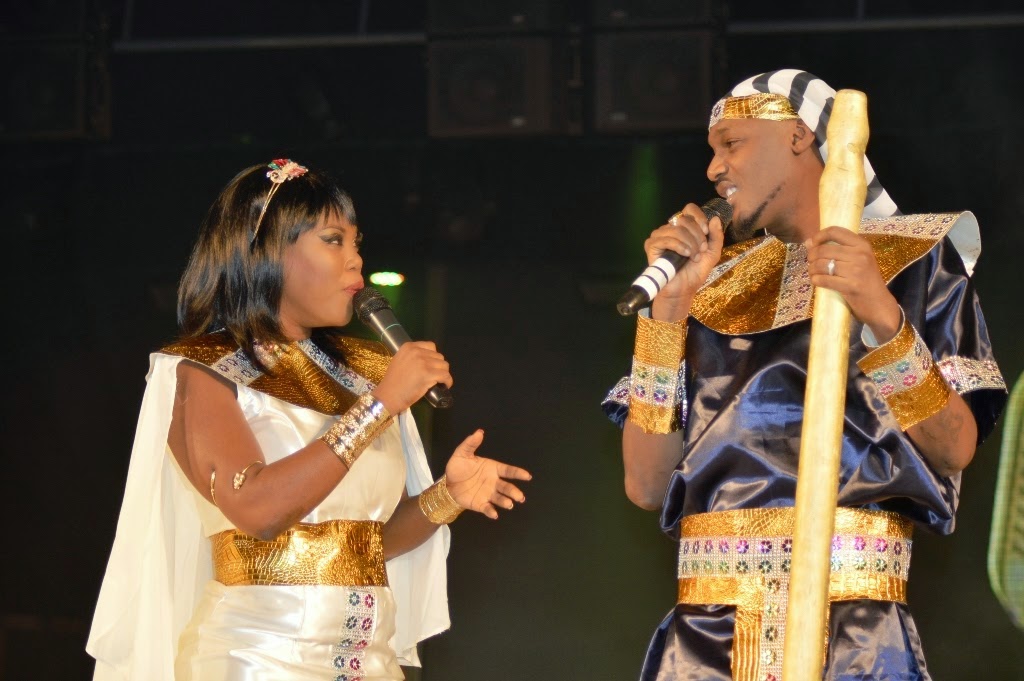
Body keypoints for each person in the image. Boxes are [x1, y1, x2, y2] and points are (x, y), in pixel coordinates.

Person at [603, 69, 1007, 680]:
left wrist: (880, 312)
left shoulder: (916, 259)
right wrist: (669, 314)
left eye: (731, 143)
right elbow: (646, 486)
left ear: (798, 136)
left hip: (856, 641)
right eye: (712, 150)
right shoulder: (707, 286)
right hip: (707, 643)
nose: (714, 168)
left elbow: (954, 449)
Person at [87, 159, 532, 680]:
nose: (356, 259)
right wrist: (380, 406)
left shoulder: (363, 374)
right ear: (267, 252)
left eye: (356, 242)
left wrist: (446, 497)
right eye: (333, 240)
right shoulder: (207, 370)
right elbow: (257, 508)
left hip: (369, 663)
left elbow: (359, 545)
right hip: (257, 662)